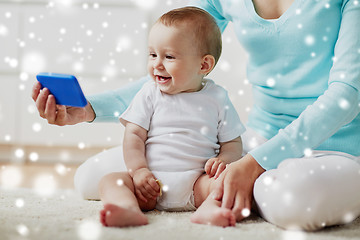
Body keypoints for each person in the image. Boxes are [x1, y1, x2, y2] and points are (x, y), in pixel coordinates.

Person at [32, 0, 360, 231]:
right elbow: (176, 66)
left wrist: (253, 164)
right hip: (257, 142)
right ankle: (241, 193)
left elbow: (347, 94)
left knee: (293, 202)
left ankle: (242, 192)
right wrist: (89, 109)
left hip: (336, 147)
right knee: (91, 177)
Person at [98, 7, 245, 227]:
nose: (157, 64)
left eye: (169, 56)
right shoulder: (149, 93)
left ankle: (209, 209)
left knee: (226, 183)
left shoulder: (217, 98)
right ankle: (127, 208)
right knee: (110, 181)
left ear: (204, 65)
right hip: (150, 184)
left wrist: (223, 161)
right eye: (153, 54)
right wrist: (138, 172)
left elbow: (232, 143)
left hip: (197, 183)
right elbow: (134, 136)